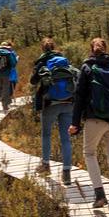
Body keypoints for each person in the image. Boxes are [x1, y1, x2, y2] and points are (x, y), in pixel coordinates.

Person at [68, 38, 109, 217]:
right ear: (106, 49)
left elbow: (80, 97)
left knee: (89, 154)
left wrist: (75, 123)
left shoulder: (86, 68)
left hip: (94, 119)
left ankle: (99, 194)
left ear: (91, 50)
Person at [30, 37, 75, 185]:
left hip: (50, 103)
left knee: (46, 134)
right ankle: (67, 173)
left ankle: (45, 165)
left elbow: (33, 81)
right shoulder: (65, 61)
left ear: (43, 49)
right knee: (66, 139)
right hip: (69, 102)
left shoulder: (41, 62)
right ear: (55, 47)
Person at [0, 40, 18, 112]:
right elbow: (13, 64)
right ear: (7, 47)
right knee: (5, 89)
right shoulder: (9, 53)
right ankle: (5, 106)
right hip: (7, 75)